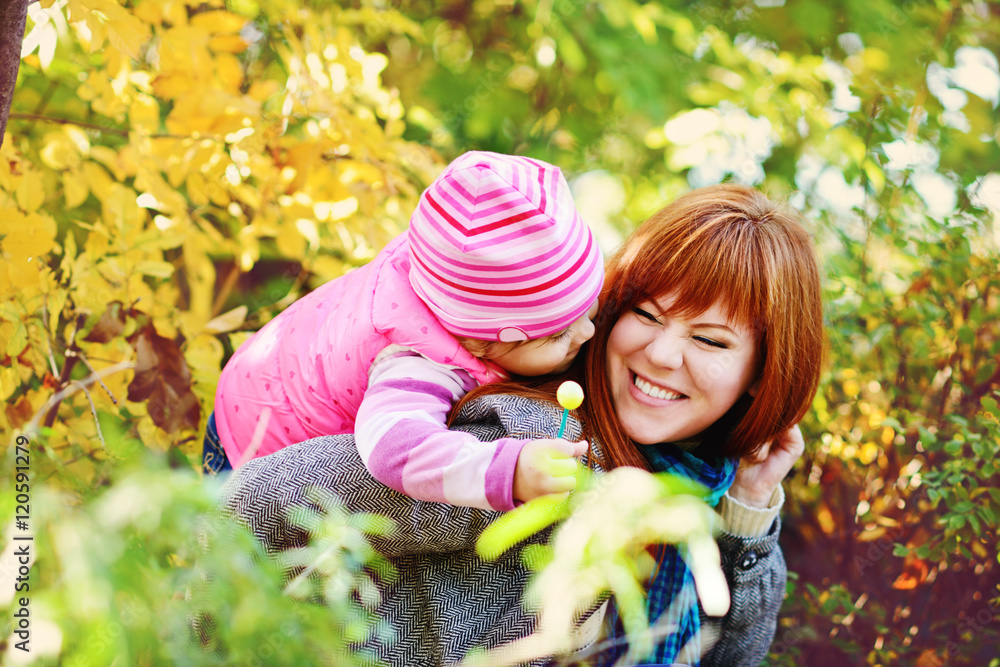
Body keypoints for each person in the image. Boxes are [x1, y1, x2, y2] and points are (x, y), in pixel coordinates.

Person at [213, 183, 824, 666]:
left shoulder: (700, 479)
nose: (662, 355)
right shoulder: (534, 443)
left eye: (710, 340)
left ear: (762, 373)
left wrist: (747, 509)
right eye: (646, 312)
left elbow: (729, 658)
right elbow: (260, 497)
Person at [204, 151, 603, 512]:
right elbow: (394, 450)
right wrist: (509, 470)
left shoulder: (443, 261)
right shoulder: (418, 360)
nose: (587, 332)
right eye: (557, 336)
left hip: (267, 371)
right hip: (248, 442)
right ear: (483, 344)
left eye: (589, 305)